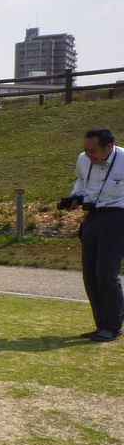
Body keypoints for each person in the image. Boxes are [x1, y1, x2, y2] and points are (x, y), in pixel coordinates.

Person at [60, 128, 124, 342]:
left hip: (118, 217)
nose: (89, 155)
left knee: (106, 274)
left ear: (109, 147)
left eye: (93, 150)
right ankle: (101, 325)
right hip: (93, 216)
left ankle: (114, 327)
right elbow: (81, 180)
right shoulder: (83, 159)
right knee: (90, 275)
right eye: (86, 150)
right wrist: (76, 197)